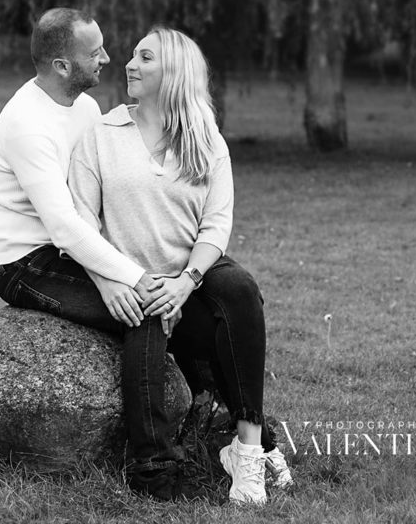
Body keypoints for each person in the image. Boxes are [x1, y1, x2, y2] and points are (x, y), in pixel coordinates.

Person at [68, 25, 294, 506]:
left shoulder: (205, 138)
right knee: (146, 317)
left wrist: (186, 282)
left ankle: (249, 451)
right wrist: (117, 280)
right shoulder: (101, 135)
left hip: (195, 275)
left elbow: (216, 226)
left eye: (144, 57)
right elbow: (82, 226)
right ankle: (155, 470)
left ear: (173, 71)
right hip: (130, 281)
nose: (129, 63)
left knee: (239, 289)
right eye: (132, 55)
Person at [0, 7, 187, 498]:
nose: (109, 59)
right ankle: (152, 469)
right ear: (63, 67)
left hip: (65, 249)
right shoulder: (28, 124)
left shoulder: (86, 109)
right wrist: (127, 278)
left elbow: (86, 206)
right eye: (95, 54)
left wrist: (119, 270)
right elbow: (64, 226)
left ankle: (211, 419)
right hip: (21, 262)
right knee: (145, 309)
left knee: (155, 295)